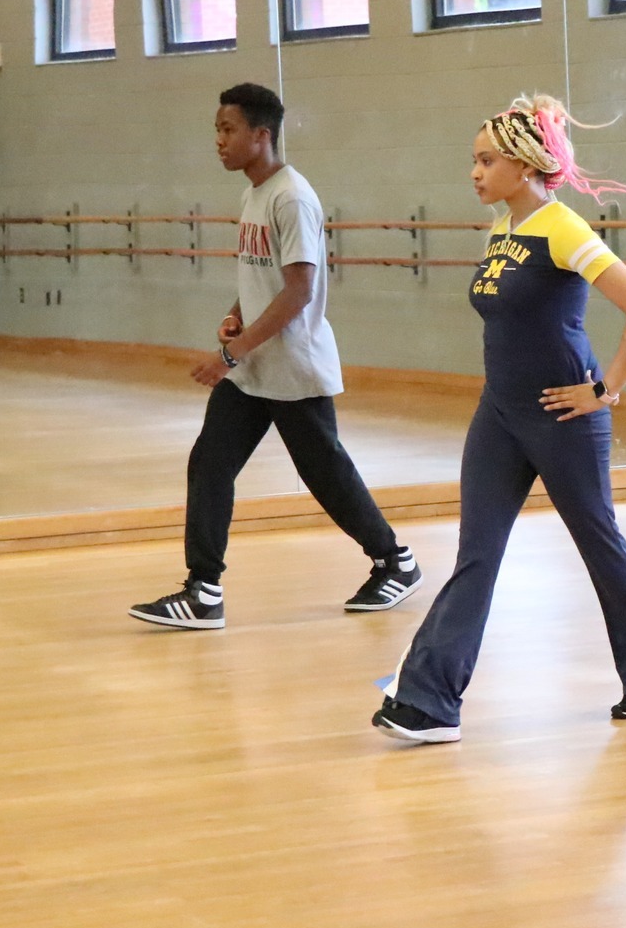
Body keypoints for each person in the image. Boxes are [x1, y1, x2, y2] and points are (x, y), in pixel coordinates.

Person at [370, 94, 626, 745]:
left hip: (562, 416)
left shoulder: (563, 228)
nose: (475, 172)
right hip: (500, 413)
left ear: (523, 166)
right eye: (473, 160)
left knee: (599, 544)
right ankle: (430, 700)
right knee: (477, 553)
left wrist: (604, 391)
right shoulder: (502, 230)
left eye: (486, 160)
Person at [130, 82, 420, 629]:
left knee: (326, 475)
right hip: (254, 369)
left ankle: (395, 562)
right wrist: (236, 314)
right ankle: (203, 591)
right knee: (210, 463)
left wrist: (229, 354)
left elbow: (298, 290)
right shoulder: (254, 193)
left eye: (228, 129)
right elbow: (264, 277)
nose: (218, 140)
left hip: (293, 370)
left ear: (261, 136)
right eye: (217, 129)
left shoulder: (292, 196)